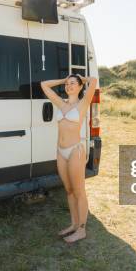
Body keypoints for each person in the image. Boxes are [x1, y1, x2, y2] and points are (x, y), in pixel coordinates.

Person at [41, 74, 98, 243]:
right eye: (67, 84)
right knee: (69, 191)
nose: (69, 85)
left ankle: (81, 230)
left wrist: (81, 78)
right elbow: (44, 84)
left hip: (75, 151)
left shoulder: (83, 103)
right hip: (61, 151)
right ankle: (74, 224)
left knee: (79, 191)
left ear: (80, 87)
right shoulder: (61, 103)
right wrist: (62, 80)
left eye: (73, 83)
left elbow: (93, 81)